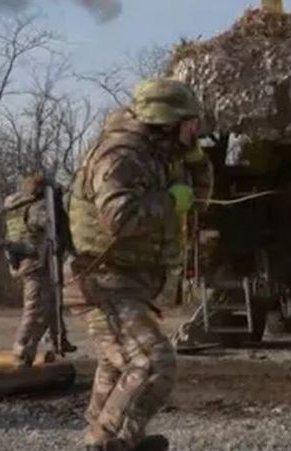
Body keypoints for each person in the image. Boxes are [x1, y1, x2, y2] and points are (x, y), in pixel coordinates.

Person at [64, 78, 212, 451]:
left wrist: (196, 164)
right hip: (102, 281)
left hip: (128, 282)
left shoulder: (164, 155)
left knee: (118, 366)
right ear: (167, 121)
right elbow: (119, 218)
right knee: (152, 362)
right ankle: (112, 441)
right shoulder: (121, 155)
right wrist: (168, 200)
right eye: (191, 123)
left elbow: (200, 203)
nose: (196, 130)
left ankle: (100, 436)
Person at [2, 172, 75, 365]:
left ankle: (58, 337)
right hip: (37, 262)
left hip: (24, 261)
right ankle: (21, 354)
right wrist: (61, 208)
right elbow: (50, 226)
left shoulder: (15, 206)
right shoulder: (38, 207)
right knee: (36, 309)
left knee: (49, 302)